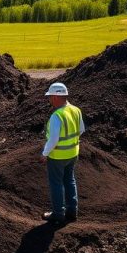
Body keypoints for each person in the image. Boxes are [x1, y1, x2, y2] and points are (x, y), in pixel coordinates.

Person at [40, 82, 85, 225]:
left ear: (55, 97)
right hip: (73, 153)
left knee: (56, 184)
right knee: (70, 181)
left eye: (50, 97)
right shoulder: (76, 110)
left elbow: (53, 139)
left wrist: (44, 153)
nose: (49, 100)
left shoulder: (56, 116)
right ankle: (72, 211)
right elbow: (81, 129)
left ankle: (58, 214)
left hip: (57, 156)